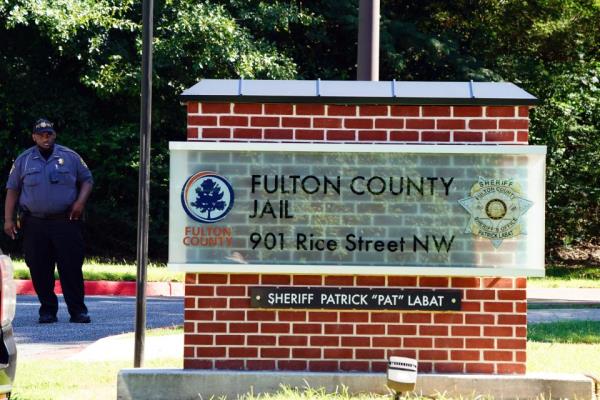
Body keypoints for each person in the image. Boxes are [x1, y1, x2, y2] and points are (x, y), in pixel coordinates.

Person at [4, 118, 93, 323]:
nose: (46, 137)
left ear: (54, 135)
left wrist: (80, 202)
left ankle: (78, 310)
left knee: (70, 267)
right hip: (35, 223)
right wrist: (8, 220)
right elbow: (13, 189)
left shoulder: (70, 157)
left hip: (66, 221)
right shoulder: (24, 160)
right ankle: (47, 309)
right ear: (34, 136)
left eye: (49, 134)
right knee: (39, 267)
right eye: (41, 134)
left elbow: (87, 180)